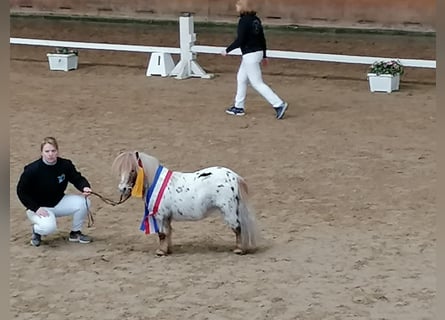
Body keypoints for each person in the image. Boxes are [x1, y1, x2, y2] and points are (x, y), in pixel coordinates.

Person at [16, 136, 93, 247]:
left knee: (84, 203)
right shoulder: (32, 169)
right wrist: (35, 208)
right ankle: (37, 231)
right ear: (41, 152)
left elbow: (77, 178)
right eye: (47, 151)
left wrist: (84, 187)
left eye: (53, 151)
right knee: (49, 228)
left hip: (58, 202)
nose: (50, 154)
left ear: (57, 151)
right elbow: (21, 191)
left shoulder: (65, 165)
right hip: (39, 207)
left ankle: (75, 233)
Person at [222, 0, 288, 119]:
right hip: (257, 52)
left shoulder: (243, 21)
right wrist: (264, 55)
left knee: (257, 83)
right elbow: (262, 38)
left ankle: (278, 104)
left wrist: (227, 50)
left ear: (242, 7)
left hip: (249, 54)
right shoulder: (255, 19)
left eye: (237, 5)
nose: (236, 7)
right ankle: (238, 106)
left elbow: (240, 40)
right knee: (241, 78)